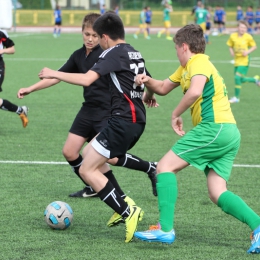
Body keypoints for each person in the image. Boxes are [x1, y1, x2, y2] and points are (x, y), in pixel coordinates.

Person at [133, 23, 260, 254]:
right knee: (217, 191)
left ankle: (166, 229)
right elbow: (161, 86)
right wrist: (146, 82)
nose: (176, 53)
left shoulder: (198, 61)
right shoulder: (186, 69)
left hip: (214, 129)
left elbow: (195, 91)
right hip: (228, 133)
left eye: (175, 49)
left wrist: (175, 114)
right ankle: (258, 226)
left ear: (184, 47)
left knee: (164, 167)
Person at [38, 12, 157, 243]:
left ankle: (127, 211)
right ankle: (122, 204)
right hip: (131, 120)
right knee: (86, 156)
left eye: (96, 36)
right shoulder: (134, 51)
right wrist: (149, 94)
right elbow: (147, 79)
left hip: (122, 121)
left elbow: (86, 79)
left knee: (87, 169)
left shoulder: (112, 52)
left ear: (104, 37)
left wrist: (54, 72)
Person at [0, 29, 28, 127]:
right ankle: (20, 110)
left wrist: (2, 50)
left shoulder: (1, 33)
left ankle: (20, 110)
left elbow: (12, 49)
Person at [227, 21, 258, 104]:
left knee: (237, 78)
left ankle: (236, 98)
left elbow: (254, 46)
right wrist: (231, 52)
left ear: (246, 29)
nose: (242, 29)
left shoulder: (248, 37)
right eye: (241, 27)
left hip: (245, 61)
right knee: (241, 80)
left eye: (244, 28)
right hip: (237, 61)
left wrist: (247, 52)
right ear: (238, 27)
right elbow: (230, 45)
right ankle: (255, 80)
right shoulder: (233, 36)